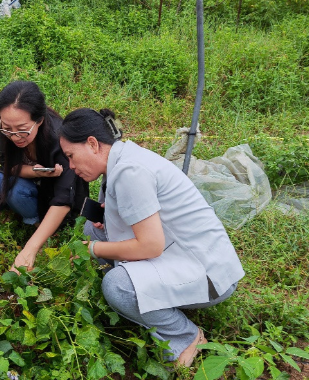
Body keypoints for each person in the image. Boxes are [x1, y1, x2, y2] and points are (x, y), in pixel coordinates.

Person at [58, 108, 245, 367]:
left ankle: (186, 338)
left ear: (92, 144)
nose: (71, 166)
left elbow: (150, 245)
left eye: (71, 156)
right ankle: (148, 300)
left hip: (209, 273)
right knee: (93, 228)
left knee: (117, 286)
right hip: (179, 251)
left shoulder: (129, 171)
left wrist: (94, 249)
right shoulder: (122, 161)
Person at [0, 81, 88, 271]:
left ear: (39, 120)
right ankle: (24, 213)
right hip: (30, 183)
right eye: (7, 128)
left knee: (15, 190)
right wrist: (35, 171)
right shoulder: (9, 127)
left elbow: (64, 197)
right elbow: (7, 165)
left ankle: (44, 231)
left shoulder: (60, 138)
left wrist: (30, 249)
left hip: (55, 196)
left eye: (23, 130)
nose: (15, 136)